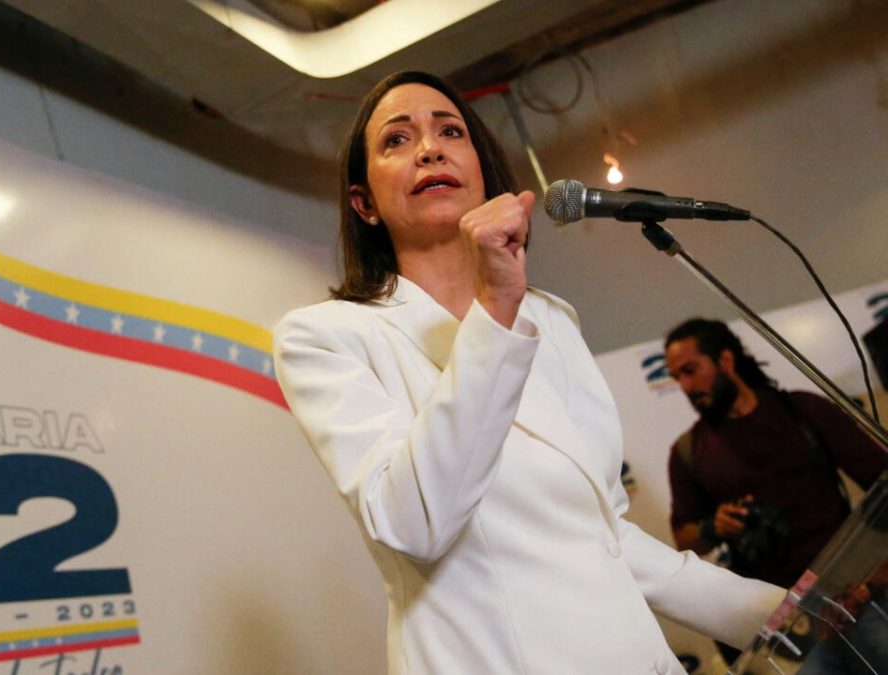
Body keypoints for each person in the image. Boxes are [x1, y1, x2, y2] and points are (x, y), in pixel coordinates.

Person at [273, 70, 786, 675]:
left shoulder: (548, 318)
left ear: (482, 170)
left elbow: (605, 534)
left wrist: (779, 614)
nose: (430, 148)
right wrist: (494, 309)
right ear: (364, 204)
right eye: (397, 140)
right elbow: (414, 521)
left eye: (449, 131)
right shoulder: (326, 336)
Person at [663, 318, 888, 664]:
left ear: (725, 361)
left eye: (691, 370)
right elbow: (684, 538)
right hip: (788, 626)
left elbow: (882, 491)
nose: (685, 386)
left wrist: (873, 580)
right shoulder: (688, 453)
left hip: (858, 595)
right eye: (677, 377)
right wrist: (713, 527)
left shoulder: (802, 410)